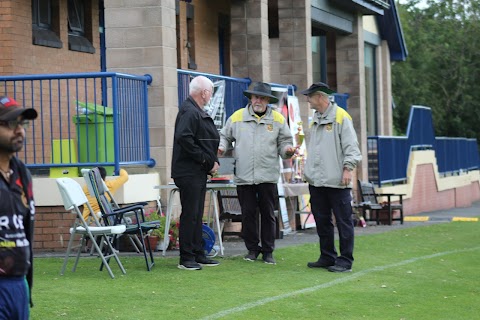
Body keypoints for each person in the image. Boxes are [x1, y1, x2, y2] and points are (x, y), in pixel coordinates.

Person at [218, 82, 296, 265]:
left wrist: (288, 151)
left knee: (268, 214)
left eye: (262, 97)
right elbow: (225, 136)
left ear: (268, 100)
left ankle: (268, 251)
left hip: (268, 176)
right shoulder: (237, 117)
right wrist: (222, 147)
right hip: (244, 176)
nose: (258, 100)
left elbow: (285, 142)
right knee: (248, 214)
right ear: (250, 98)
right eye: (255, 97)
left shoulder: (277, 119)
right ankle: (252, 249)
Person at [300, 82, 362, 273]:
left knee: (343, 221)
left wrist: (347, 169)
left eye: (309, 96)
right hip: (317, 181)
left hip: (337, 180)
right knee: (322, 220)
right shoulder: (316, 118)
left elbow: (352, 148)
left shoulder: (341, 117)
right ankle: (327, 256)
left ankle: (345, 260)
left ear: (319, 97)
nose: (307, 100)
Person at [171, 75, 220, 270]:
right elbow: (185, 138)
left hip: (196, 171)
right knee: (191, 214)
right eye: (211, 93)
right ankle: (187, 257)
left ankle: (199, 253)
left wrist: (209, 161)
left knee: (197, 214)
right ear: (205, 93)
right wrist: (207, 161)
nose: (211, 96)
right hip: (189, 171)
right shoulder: (190, 111)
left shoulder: (193, 110)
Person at [0, 96, 38, 319]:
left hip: (19, 284)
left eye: (23, 124)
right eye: (11, 123)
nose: (20, 131)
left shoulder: (21, 173)